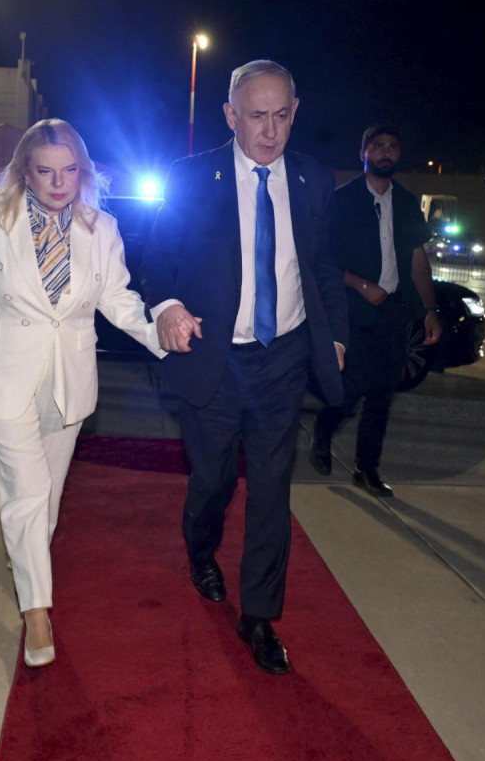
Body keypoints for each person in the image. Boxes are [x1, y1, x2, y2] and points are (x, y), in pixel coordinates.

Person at [140, 60, 347, 674]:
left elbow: (325, 270)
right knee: (214, 482)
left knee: (272, 489)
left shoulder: (312, 180)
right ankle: (200, 549)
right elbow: (155, 262)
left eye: (282, 115)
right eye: (256, 116)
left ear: (295, 111)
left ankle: (259, 616)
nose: (270, 130)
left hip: (282, 357)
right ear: (230, 116)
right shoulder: (190, 177)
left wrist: (332, 337)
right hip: (214, 355)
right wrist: (169, 308)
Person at [0, 119, 167, 669]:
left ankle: (27, 569)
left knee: (47, 497)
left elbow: (117, 297)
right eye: (45, 171)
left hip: (68, 376)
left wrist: (160, 329)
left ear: (82, 171)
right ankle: (36, 611)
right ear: (25, 170)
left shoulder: (101, 227)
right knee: (26, 490)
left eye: (69, 170)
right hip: (0, 367)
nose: (58, 182)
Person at [311, 125, 442, 496]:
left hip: (393, 313)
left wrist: (429, 309)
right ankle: (324, 428)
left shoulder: (406, 202)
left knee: (383, 395)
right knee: (350, 391)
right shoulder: (341, 200)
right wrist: (360, 285)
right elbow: (322, 259)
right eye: (378, 146)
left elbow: (418, 259)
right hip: (353, 309)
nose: (387, 152)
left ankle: (367, 469)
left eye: (394, 147)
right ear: (363, 152)